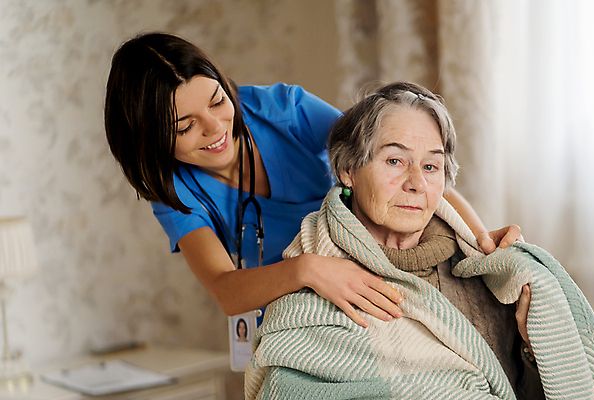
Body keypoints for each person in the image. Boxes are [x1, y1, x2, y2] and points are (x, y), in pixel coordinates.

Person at [103, 32, 524, 329]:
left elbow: (401, 165)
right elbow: (226, 291)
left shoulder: (280, 109)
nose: (215, 128)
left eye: (218, 101)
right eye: (185, 126)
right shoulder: (176, 191)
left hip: (381, 267)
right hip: (302, 308)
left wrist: (481, 241)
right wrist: (309, 270)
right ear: (150, 140)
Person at [245, 82, 543, 399]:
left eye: (431, 166)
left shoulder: (489, 275)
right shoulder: (316, 286)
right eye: (395, 161)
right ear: (348, 170)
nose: (416, 183)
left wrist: (532, 348)